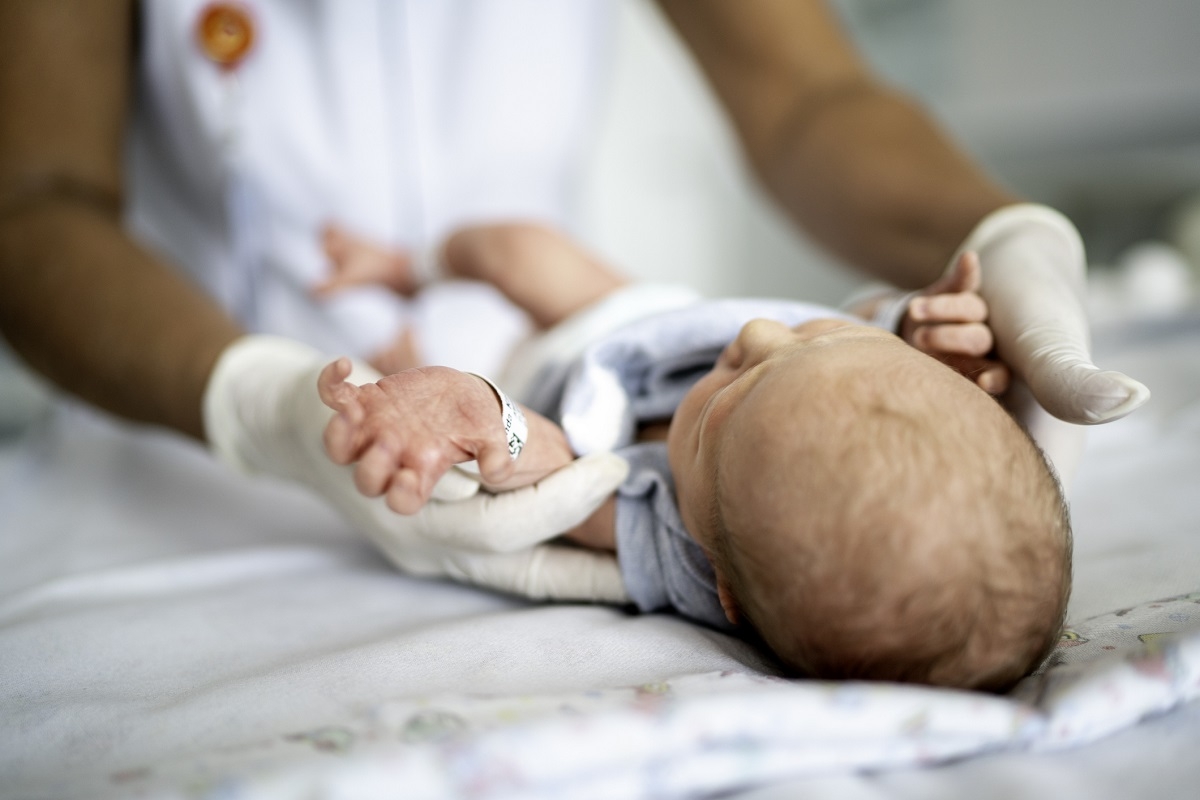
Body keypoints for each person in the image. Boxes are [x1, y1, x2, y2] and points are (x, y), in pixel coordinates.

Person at [0, 1, 1142, 603]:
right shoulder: (764, 421)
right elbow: (32, 201)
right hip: (175, 391)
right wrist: (933, 328)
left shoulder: (700, 547)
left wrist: (1009, 237)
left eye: (755, 376)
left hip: (465, 378)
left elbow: (808, 100)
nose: (754, 332)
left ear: (732, 595)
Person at [314, 222, 1070, 691]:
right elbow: (864, 330)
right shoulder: (858, 384)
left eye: (735, 391)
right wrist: (911, 324)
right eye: (815, 343)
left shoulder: (683, 549)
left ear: (721, 581)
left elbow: (557, 477)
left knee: (486, 340)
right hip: (647, 325)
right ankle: (410, 264)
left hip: (562, 387)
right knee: (521, 251)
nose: (758, 336)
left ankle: (415, 347)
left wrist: (488, 415)